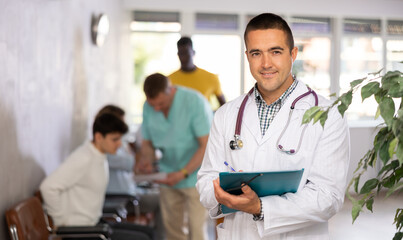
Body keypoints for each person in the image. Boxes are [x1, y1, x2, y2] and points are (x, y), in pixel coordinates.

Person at [196, 13, 350, 240]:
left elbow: (328, 197)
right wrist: (221, 195)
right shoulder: (226, 114)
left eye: (275, 52)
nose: (266, 63)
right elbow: (206, 179)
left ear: (293, 54)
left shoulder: (328, 115)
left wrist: (260, 207)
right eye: (256, 53)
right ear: (247, 56)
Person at [40, 113, 151, 240]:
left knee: (149, 233)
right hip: (80, 231)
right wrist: (61, 221)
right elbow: (48, 187)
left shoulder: (100, 156)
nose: (119, 144)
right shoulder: (83, 158)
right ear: (98, 137)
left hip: (94, 223)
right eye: (114, 139)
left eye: (120, 139)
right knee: (143, 238)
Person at [137, 73, 213, 240]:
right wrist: (147, 161)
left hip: (196, 175)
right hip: (167, 175)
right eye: (153, 105)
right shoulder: (148, 106)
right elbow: (147, 142)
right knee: (173, 231)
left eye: (161, 104)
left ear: (170, 90)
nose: (156, 109)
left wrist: (183, 173)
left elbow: (206, 145)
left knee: (197, 230)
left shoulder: (194, 102)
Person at [96, 105, 164, 239]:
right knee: (163, 200)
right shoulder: (103, 151)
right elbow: (134, 163)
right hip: (120, 200)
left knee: (150, 231)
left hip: (128, 194)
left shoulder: (116, 145)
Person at [169, 36, 226, 109]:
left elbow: (224, 106)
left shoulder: (211, 78)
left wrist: (211, 115)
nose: (183, 57)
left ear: (193, 53)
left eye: (186, 53)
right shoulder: (169, 80)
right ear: (178, 55)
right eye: (181, 53)